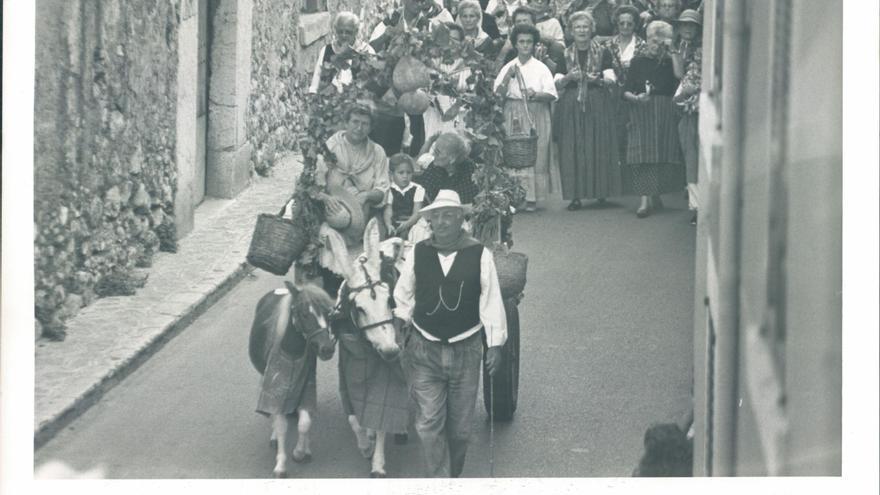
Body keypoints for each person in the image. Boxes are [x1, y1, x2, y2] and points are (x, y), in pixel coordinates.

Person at [393, 189, 507, 477]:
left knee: (459, 430)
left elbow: (491, 300)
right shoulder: (418, 252)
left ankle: (453, 475)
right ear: (429, 221)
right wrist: (402, 322)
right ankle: (440, 481)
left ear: (460, 219)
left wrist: (495, 345)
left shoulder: (479, 254)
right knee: (428, 423)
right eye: (435, 217)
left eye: (448, 216)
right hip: (424, 348)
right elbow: (403, 293)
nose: (441, 222)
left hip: (465, 350)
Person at [314, 105, 390, 292]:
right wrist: (325, 198)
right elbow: (314, 184)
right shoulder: (330, 147)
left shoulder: (377, 152)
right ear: (346, 123)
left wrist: (366, 195)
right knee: (331, 261)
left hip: (365, 214)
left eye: (365, 124)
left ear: (371, 128)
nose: (359, 127)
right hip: (332, 212)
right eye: (355, 122)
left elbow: (383, 187)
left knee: (368, 266)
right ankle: (331, 293)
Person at [553, 11, 621, 210]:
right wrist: (568, 78)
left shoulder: (603, 51)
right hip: (571, 103)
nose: (582, 30)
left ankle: (601, 191)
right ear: (571, 31)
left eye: (585, 27)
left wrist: (597, 80)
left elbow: (611, 79)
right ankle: (575, 196)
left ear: (592, 29)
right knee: (573, 146)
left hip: (597, 101)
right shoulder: (564, 53)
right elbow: (556, 83)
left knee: (598, 143)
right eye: (577, 27)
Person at [369, 0, 453, 157]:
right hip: (390, 94)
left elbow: (440, 59)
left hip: (417, 94)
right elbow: (370, 50)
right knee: (388, 144)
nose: (419, 2)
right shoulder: (390, 21)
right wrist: (387, 35)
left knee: (416, 143)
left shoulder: (429, 25)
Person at [622, 20, 684, 218]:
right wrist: (636, 98)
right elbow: (625, 91)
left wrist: (672, 50)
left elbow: (680, 75)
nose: (654, 44)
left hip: (665, 109)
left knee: (661, 153)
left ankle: (655, 192)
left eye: (659, 40)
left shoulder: (669, 61)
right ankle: (644, 201)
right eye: (651, 38)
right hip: (641, 109)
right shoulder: (638, 61)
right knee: (641, 155)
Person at [494, 23, 559, 212]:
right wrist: (508, 78)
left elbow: (552, 94)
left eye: (529, 42)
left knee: (535, 152)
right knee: (515, 153)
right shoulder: (508, 67)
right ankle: (515, 197)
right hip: (512, 112)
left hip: (536, 111)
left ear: (534, 44)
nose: (525, 46)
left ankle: (533, 198)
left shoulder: (541, 68)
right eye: (521, 42)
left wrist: (535, 94)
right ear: (515, 44)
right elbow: (497, 94)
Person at [604, 4, 646, 172]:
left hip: (633, 94)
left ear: (635, 24)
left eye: (630, 23)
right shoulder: (608, 44)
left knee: (634, 132)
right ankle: (616, 171)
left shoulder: (642, 45)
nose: (626, 27)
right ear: (617, 24)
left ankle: (632, 171)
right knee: (614, 131)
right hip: (612, 94)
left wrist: (633, 66)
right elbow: (604, 67)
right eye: (622, 23)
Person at [671, 9, 702, 225]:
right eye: (684, 25)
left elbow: (687, 77)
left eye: (692, 25)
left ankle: (703, 205)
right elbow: (679, 76)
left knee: (703, 158)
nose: (688, 29)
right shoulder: (679, 47)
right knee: (690, 158)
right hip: (686, 106)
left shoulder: (704, 49)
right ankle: (697, 207)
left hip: (703, 105)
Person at [424, 23, 472, 141]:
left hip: (461, 124)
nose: (451, 43)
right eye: (447, 39)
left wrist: (460, 102)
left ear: (462, 43)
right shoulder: (430, 64)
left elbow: (472, 98)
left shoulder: (469, 68)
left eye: (455, 39)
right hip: (435, 123)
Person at [308, 12, 375, 95]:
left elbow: (374, 84)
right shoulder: (327, 50)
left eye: (348, 32)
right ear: (336, 31)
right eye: (340, 31)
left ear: (356, 31)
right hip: (329, 101)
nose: (344, 35)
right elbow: (316, 79)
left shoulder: (367, 51)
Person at [496, 7, 566, 75]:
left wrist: (545, 58)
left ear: (534, 24)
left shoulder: (548, 43)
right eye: (518, 22)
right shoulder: (509, 46)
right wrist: (504, 50)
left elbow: (558, 74)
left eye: (525, 21)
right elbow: (497, 73)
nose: (522, 24)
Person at [384, 153, 427, 238]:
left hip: (412, 221)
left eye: (409, 173)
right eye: (401, 173)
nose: (405, 176)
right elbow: (388, 211)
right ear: (391, 174)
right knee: (388, 235)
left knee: (413, 234)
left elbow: (417, 213)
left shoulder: (418, 189)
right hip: (395, 221)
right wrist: (388, 224)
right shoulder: (389, 189)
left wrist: (407, 224)